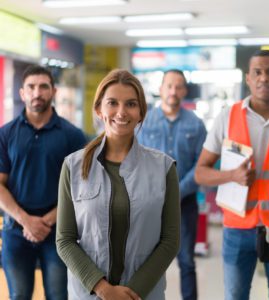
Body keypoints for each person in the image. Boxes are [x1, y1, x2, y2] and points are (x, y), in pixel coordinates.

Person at [56, 69, 180, 300]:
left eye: (131, 104)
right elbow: (64, 240)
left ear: (141, 112)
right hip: (89, 294)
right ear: (99, 109)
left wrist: (132, 293)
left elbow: (170, 241)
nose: (121, 112)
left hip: (143, 295)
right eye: (112, 103)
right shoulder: (72, 166)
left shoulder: (163, 168)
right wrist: (104, 289)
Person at [194, 49, 269, 300]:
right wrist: (231, 176)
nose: (264, 78)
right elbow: (200, 172)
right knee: (235, 296)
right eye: (258, 72)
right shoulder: (227, 117)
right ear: (248, 78)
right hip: (237, 229)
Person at [0, 65, 87, 300]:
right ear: (22, 93)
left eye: (43, 87)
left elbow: (82, 190)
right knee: (18, 295)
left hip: (59, 232)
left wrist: (46, 222)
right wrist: (26, 221)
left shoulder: (73, 136)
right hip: (16, 231)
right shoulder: (6, 134)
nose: (37, 92)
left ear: (54, 91)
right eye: (31, 87)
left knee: (58, 295)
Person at [137, 69, 207, 300]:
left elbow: (202, 165)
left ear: (185, 91)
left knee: (186, 261)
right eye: (169, 86)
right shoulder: (144, 122)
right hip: (149, 204)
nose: (173, 91)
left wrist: (177, 192)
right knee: (148, 261)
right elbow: (134, 159)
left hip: (184, 204)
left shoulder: (196, 125)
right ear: (161, 90)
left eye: (179, 87)